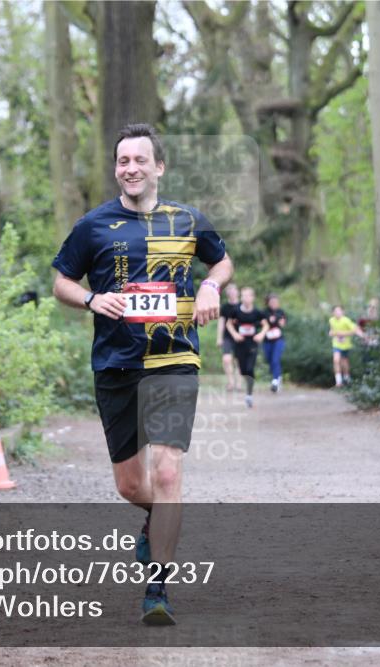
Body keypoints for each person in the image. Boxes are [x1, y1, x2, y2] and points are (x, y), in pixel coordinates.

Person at [52, 123, 233, 625]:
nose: (130, 168)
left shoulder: (187, 220)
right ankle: (157, 519)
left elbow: (221, 263)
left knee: (168, 471)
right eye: (122, 161)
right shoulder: (93, 226)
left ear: (159, 167)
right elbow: (62, 281)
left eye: (139, 160)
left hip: (174, 358)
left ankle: (158, 587)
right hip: (116, 364)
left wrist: (211, 288)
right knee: (133, 487)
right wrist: (91, 297)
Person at [226, 286, 269, 408]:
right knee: (243, 370)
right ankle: (248, 387)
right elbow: (228, 324)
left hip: (252, 344)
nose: (245, 298)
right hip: (240, 345)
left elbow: (266, 325)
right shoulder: (235, 311)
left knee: (250, 369)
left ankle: (249, 395)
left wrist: (261, 334)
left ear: (253, 297)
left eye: (248, 295)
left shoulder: (257, 312)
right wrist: (235, 334)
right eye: (243, 296)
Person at [328, 305, 363, 387]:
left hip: (346, 345)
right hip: (336, 344)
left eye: (339, 311)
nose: (338, 313)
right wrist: (332, 333)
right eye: (336, 311)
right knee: (336, 360)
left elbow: (354, 330)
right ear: (333, 313)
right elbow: (332, 331)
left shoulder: (346, 320)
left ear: (343, 312)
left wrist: (363, 336)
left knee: (344, 362)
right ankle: (338, 381)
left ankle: (347, 379)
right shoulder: (331, 320)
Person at [217, 283, 242, 392]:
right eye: (229, 291)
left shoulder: (243, 306)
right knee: (226, 359)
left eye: (233, 290)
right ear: (227, 294)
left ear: (237, 292)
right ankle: (231, 382)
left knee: (239, 361)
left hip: (241, 337)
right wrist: (219, 338)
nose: (232, 293)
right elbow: (221, 322)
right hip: (227, 337)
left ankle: (239, 383)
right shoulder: (225, 307)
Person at [262, 293, 287, 393]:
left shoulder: (281, 312)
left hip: (278, 340)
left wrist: (278, 322)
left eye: (276, 302)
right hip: (267, 340)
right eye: (272, 302)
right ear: (268, 303)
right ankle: (278, 376)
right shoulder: (264, 312)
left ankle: (275, 381)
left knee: (275, 359)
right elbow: (262, 322)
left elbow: (283, 323)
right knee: (269, 360)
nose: (274, 304)